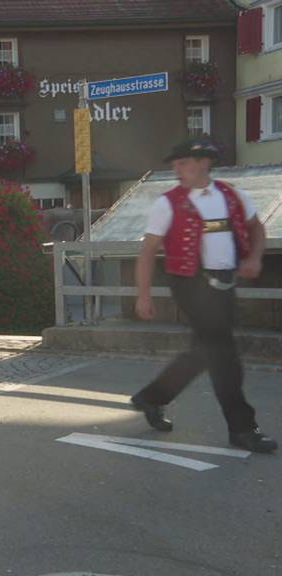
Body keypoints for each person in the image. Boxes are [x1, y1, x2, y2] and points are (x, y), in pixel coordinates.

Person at [131, 139, 275, 453]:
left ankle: (151, 397)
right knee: (224, 353)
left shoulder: (232, 194)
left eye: (183, 163)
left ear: (203, 164)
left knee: (204, 351)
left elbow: (255, 228)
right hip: (189, 284)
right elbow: (147, 252)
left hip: (224, 284)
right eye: (176, 164)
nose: (176, 169)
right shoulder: (166, 203)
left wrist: (254, 259)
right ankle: (242, 429)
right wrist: (143, 295)